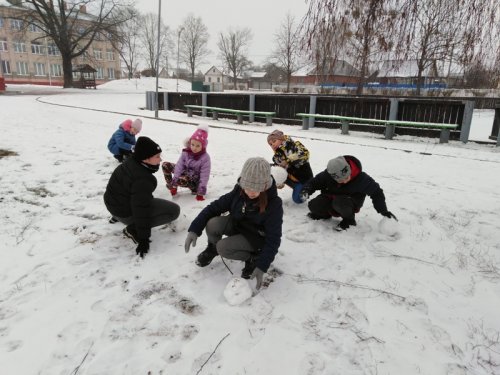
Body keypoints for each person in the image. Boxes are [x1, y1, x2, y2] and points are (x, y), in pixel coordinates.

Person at [184, 157, 283, 290]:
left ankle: (253, 258)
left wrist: (262, 265)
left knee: (223, 247)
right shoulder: (239, 191)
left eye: (256, 188)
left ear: (265, 186)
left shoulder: (274, 204)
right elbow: (213, 208)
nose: (250, 192)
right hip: (239, 225)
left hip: (256, 237)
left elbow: (274, 239)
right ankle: (212, 249)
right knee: (212, 223)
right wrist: (194, 229)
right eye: (247, 187)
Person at [104, 136, 180, 257]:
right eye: (157, 156)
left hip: (113, 206)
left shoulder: (131, 161)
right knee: (173, 211)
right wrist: (143, 238)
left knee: (142, 198)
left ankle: (117, 217)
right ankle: (132, 229)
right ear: (146, 159)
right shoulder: (143, 178)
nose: (160, 160)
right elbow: (140, 208)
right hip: (124, 212)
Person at [300, 155, 397, 231]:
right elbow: (314, 182)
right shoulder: (328, 175)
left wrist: (383, 210)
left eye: (347, 177)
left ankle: (349, 220)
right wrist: (306, 190)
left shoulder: (361, 179)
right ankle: (324, 215)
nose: (345, 181)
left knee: (340, 202)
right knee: (313, 205)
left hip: (350, 201)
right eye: (341, 180)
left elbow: (376, 192)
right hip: (331, 197)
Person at [162, 124, 211, 201]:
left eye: (198, 146)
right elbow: (179, 165)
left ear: (203, 146)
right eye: (192, 144)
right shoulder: (186, 152)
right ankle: (171, 186)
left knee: (181, 179)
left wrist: (201, 191)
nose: (194, 148)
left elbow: (204, 175)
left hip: (194, 180)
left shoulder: (205, 158)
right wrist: (174, 184)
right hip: (185, 172)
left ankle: (193, 189)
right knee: (166, 165)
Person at [267, 130, 313, 204]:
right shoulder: (277, 156)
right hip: (290, 178)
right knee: (269, 168)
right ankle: (267, 195)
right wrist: (279, 181)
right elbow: (279, 170)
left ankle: (306, 189)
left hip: (303, 179)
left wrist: (287, 160)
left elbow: (305, 153)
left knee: (297, 199)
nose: (272, 145)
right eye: (270, 144)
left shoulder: (295, 145)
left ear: (281, 138)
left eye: (274, 141)